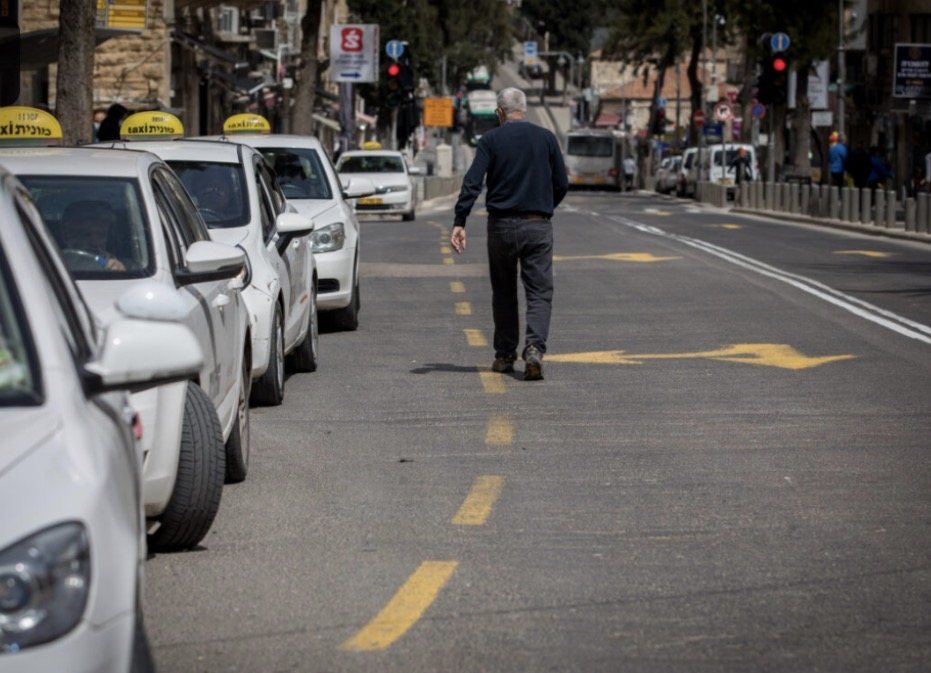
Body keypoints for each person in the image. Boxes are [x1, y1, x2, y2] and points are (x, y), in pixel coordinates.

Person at [450, 87, 568, 381]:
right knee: (539, 292)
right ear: (523, 109)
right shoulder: (546, 138)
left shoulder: (490, 140)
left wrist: (460, 220)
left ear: (500, 112)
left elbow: (473, 181)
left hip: (501, 226)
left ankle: (504, 355)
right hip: (537, 225)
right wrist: (544, 207)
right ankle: (534, 349)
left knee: (503, 292)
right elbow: (562, 183)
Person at [59, 201, 125, 271]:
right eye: (86, 235)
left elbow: (103, 262)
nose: (95, 243)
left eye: (101, 235)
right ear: (67, 236)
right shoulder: (56, 260)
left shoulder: (103, 261)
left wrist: (117, 269)